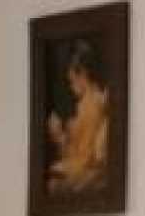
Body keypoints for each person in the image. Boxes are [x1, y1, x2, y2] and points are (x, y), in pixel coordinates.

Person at [45, 41, 111, 196]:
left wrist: (60, 137)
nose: (71, 86)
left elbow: (83, 159)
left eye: (72, 80)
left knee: (52, 182)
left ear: (83, 74)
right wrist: (61, 137)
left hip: (86, 170)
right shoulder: (85, 104)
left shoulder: (92, 105)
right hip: (80, 166)